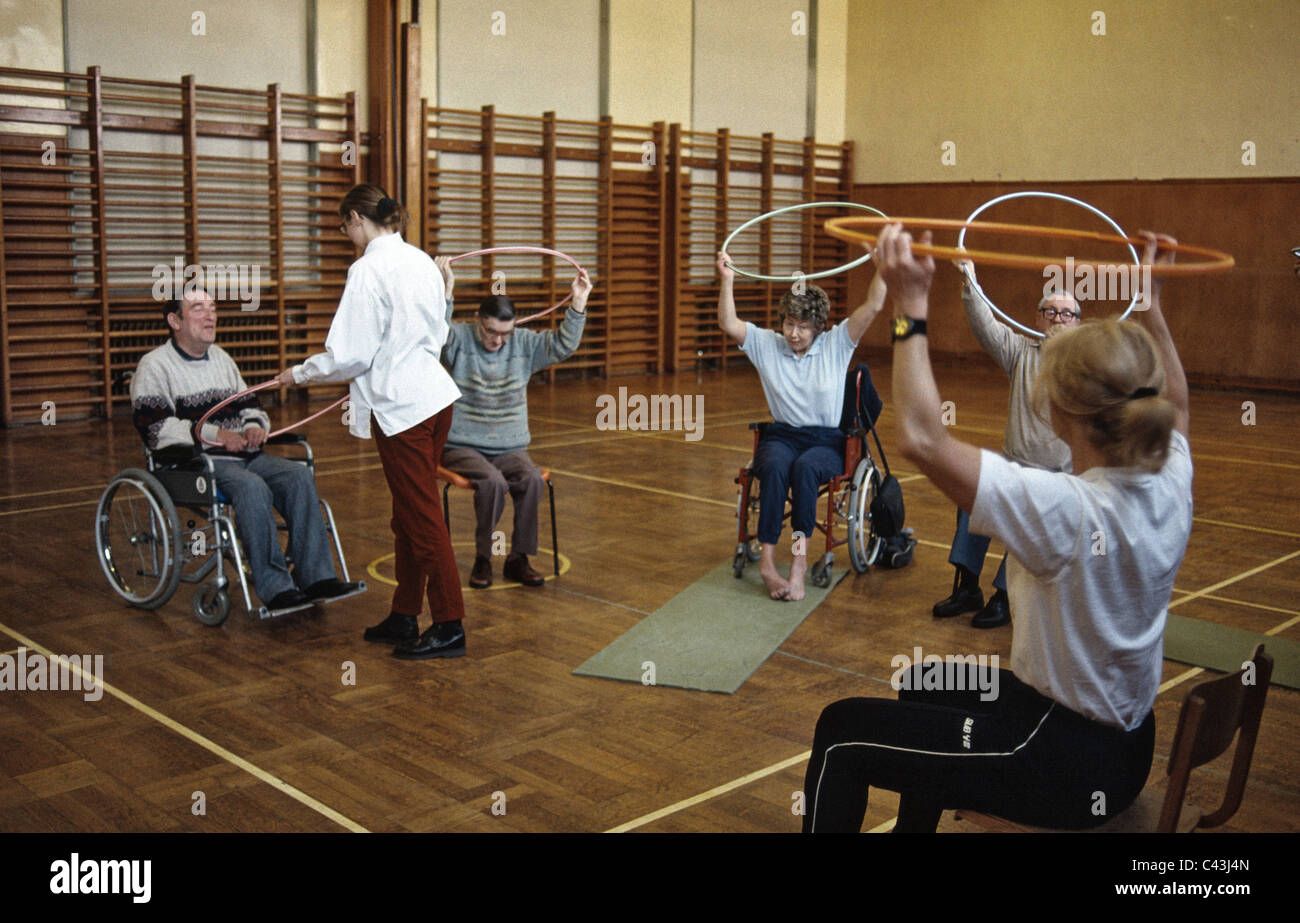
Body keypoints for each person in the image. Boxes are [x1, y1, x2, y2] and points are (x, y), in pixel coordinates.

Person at [801, 226, 1192, 833]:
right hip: (1125, 745)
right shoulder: (1170, 475)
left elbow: (923, 439)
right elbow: (1182, 405)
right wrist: (1152, 309)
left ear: (1060, 413)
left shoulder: (1068, 509)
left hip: (1055, 754)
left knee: (840, 729)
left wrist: (910, 310)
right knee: (925, 682)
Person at [276, 184, 465, 660]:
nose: (346, 236)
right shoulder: (421, 261)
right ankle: (405, 614)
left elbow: (351, 355)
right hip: (435, 399)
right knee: (408, 515)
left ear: (358, 219)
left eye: (345, 227)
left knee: (421, 518)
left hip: (403, 409)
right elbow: (439, 332)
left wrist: (299, 373)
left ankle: (449, 624)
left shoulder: (367, 270)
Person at [131, 289, 360, 611]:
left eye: (212, 308)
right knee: (251, 487)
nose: (210, 315)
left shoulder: (222, 359)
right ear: (174, 320)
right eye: (198, 309)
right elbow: (155, 429)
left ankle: (316, 578)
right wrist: (217, 435)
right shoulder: (154, 366)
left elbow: (249, 402)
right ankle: (276, 587)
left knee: (296, 476)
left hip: (243, 456)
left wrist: (254, 425)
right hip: (195, 464)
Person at [716, 251, 887, 601]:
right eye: (789, 324)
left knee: (806, 470)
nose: (794, 334)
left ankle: (798, 561)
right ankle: (766, 562)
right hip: (782, 436)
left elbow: (873, 305)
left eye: (803, 327)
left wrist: (882, 266)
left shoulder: (837, 344)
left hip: (826, 441)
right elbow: (729, 323)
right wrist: (727, 279)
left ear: (818, 327)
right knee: (777, 467)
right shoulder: (767, 344)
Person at [931, 274, 1080, 629]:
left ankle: (1004, 595)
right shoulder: (1020, 353)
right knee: (972, 493)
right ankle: (967, 587)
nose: (1057, 319)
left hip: (1059, 479)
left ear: (1078, 324)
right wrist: (968, 279)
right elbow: (985, 324)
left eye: (1066, 314)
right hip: (1013, 465)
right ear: (1037, 318)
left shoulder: (1088, 366)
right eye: (1050, 312)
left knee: (1032, 517)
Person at [434, 257, 591, 588]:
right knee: (492, 482)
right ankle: (483, 559)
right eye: (491, 331)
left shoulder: (523, 343)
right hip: (462, 444)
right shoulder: (459, 338)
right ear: (478, 320)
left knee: (533, 479)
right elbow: (435, 334)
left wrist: (578, 301)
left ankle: (518, 559)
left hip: (510, 446)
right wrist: (446, 290)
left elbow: (563, 345)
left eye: (505, 333)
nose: (498, 340)